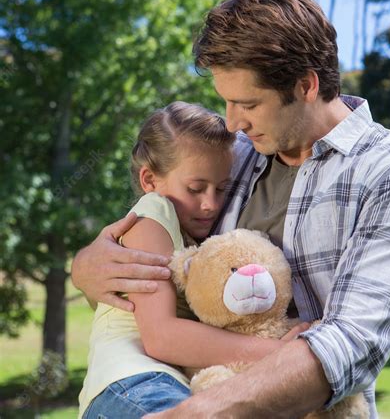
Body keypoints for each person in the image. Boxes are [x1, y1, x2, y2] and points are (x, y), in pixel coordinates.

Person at [72, 0, 390, 419]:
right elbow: (159, 251)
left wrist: (199, 413)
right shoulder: (232, 156)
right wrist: (89, 267)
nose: (231, 121)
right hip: (186, 389)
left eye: (247, 103)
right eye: (225, 102)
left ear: (306, 85)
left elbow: (353, 343)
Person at [79, 101, 304, 419]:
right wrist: (281, 354)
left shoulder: (194, 238)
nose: (211, 204)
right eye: (196, 188)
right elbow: (161, 337)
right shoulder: (151, 216)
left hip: (166, 386)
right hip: (133, 384)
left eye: (221, 188)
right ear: (149, 180)